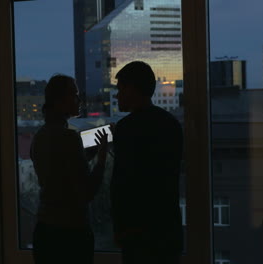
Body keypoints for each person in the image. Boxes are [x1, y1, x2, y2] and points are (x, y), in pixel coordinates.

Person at [110, 61, 183, 264]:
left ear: (132, 88)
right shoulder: (171, 124)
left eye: (120, 88)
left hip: (137, 234)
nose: (117, 95)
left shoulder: (127, 128)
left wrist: (119, 227)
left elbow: (122, 184)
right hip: (167, 231)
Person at [30, 74, 108, 264]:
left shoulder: (39, 137)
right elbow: (86, 191)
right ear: (60, 101)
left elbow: (60, 171)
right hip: (71, 233)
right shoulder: (69, 138)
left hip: (45, 231)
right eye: (74, 95)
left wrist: (87, 154)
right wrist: (101, 158)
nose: (79, 100)